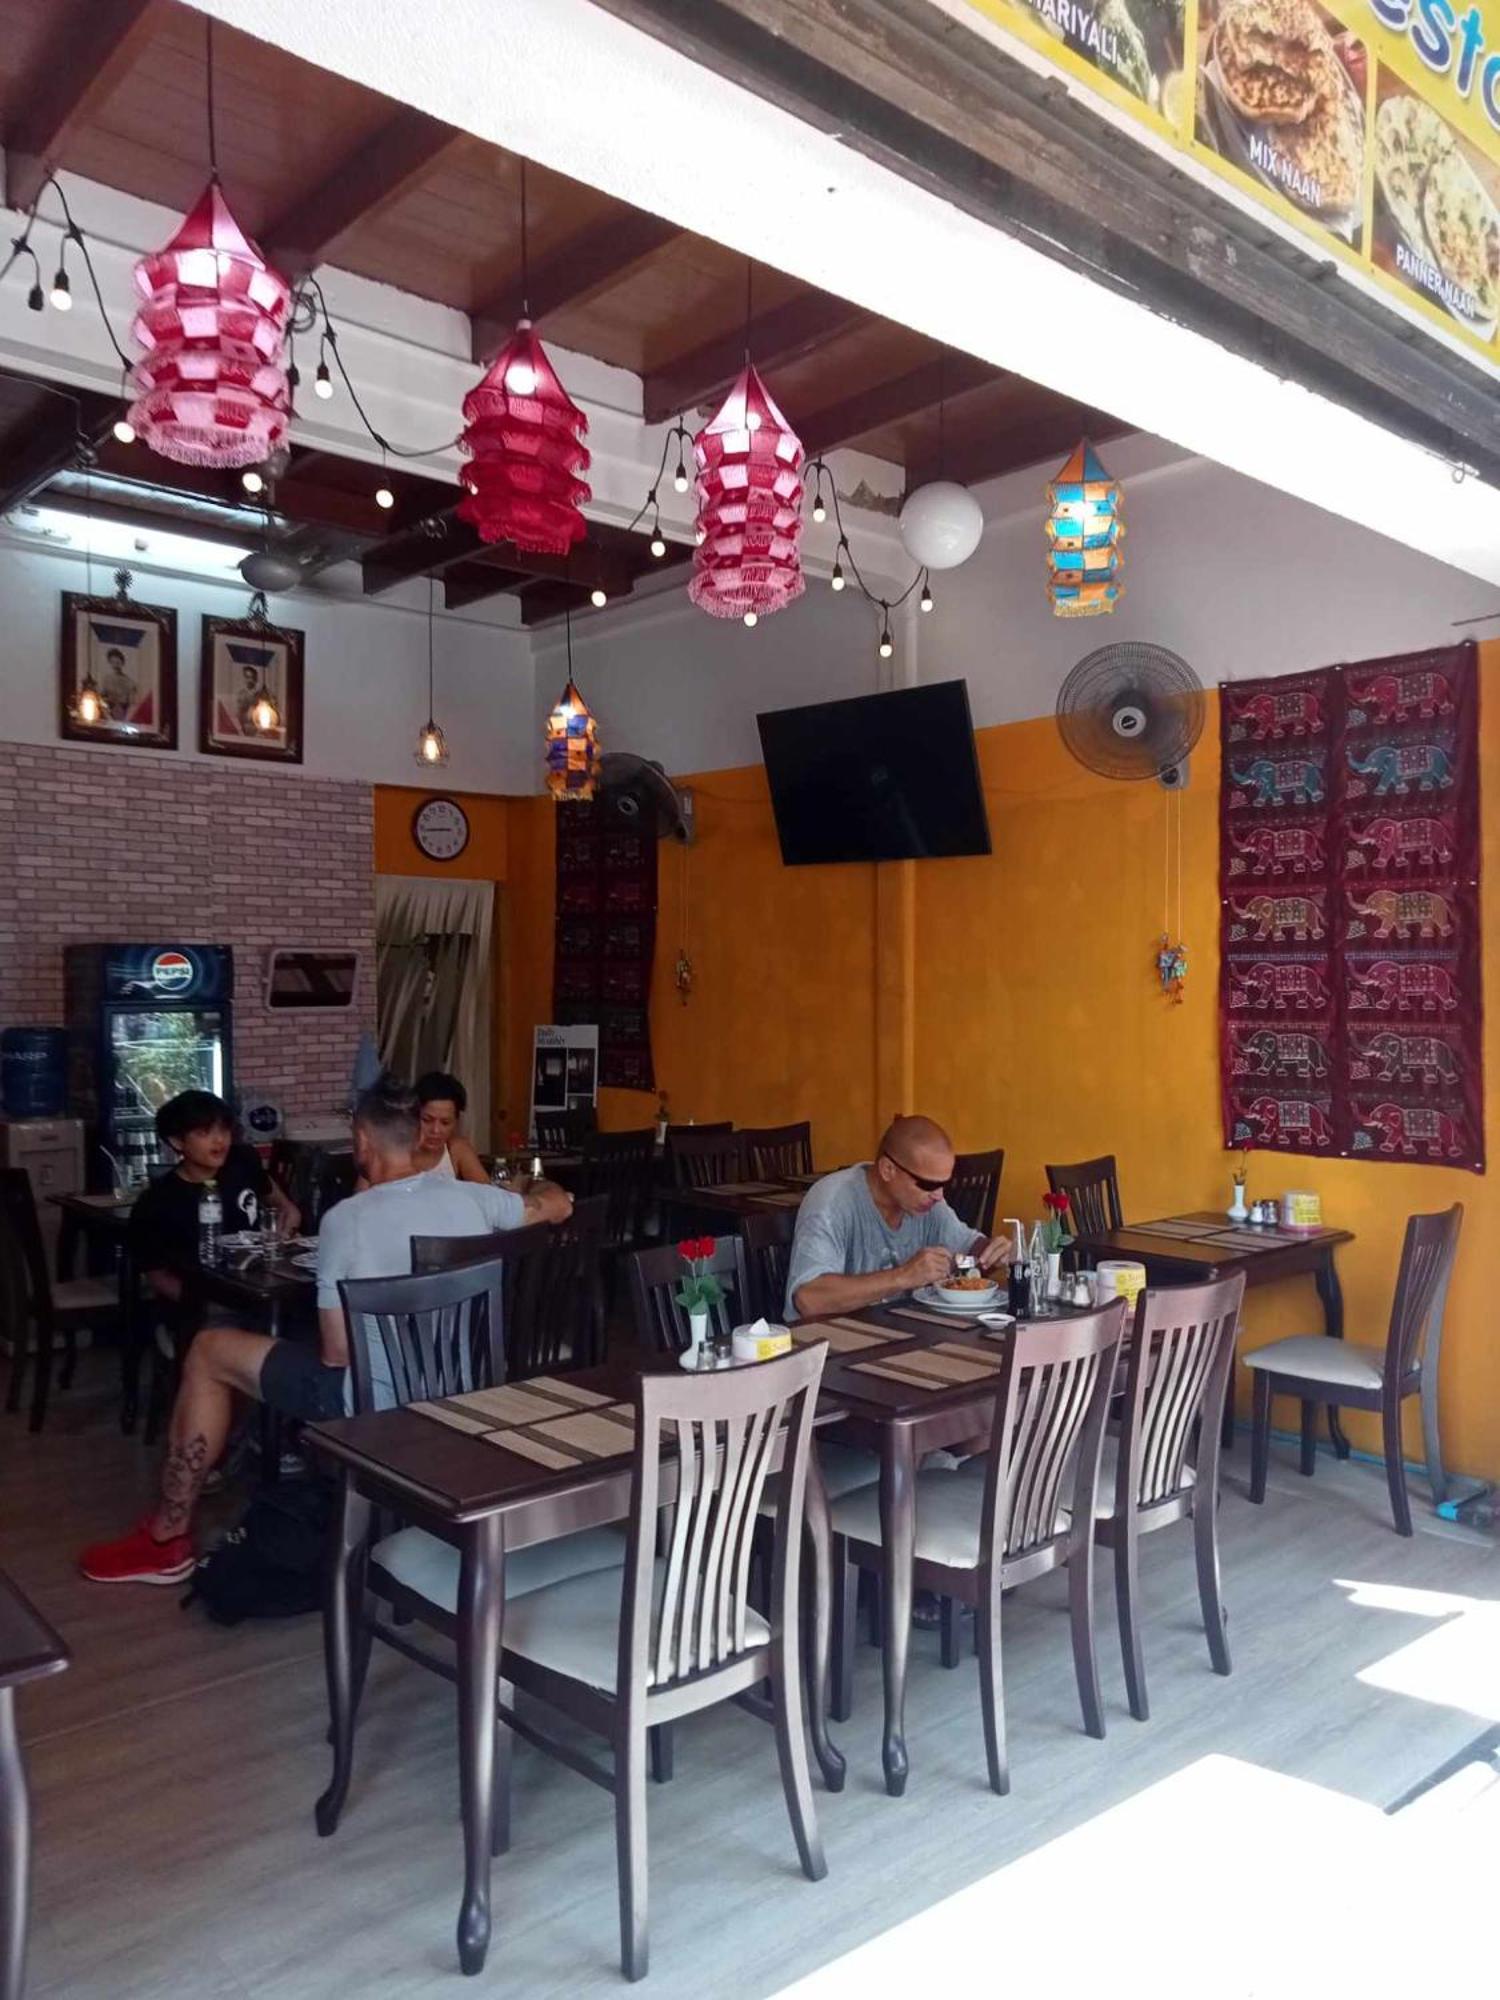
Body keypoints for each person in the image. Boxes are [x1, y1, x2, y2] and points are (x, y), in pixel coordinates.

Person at [79, 1077, 572, 1587]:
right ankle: (287, 1458)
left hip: (374, 1402)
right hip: (461, 1392)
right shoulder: (476, 1200)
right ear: (417, 1135)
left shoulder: (347, 1220)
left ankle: (167, 1535)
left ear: (363, 1141)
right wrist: (540, 1189)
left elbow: (336, 1355)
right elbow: (556, 1205)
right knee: (285, 1343)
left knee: (208, 1349)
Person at [785, 1114, 1007, 1320]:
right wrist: (903, 1276)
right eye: (927, 1184)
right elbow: (808, 1299)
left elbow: (969, 1250)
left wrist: (996, 1253)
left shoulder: (928, 1204)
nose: (939, 1195)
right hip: (829, 1342)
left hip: (897, 1334)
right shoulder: (833, 1201)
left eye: (943, 1184)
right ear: (888, 1169)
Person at [127, 1092, 300, 1342]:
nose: (219, 1141)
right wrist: (202, 1303)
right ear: (177, 1141)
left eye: (224, 1130)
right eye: (204, 1133)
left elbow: (285, 1208)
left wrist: (287, 1225)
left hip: (263, 1288)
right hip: (206, 1305)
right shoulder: (158, 1201)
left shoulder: (242, 1161)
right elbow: (156, 1274)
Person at [414, 1070, 490, 1183]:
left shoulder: (457, 1149)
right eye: (427, 1120)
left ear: (456, 1122)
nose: (435, 1130)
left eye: (445, 1123)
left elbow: (485, 1191)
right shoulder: (397, 1149)